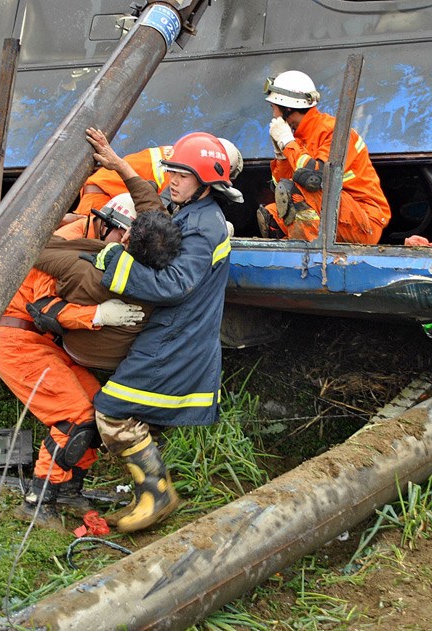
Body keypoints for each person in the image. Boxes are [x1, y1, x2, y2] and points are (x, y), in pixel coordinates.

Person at [0, 183, 181, 528]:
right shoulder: (63, 244)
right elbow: (44, 309)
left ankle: (68, 489)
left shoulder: (95, 243)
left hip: (47, 344)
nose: (126, 246)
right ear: (107, 225)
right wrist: (98, 316)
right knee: (72, 416)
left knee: (97, 410)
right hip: (20, 342)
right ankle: (38, 502)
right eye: (123, 236)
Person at [84, 131, 239, 533]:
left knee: (112, 411)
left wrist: (114, 259)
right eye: (172, 172)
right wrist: (120, 165)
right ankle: (149, 492)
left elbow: (173, 285)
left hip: (176, 339)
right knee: (131, 411)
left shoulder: (203, 227)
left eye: (183, 176)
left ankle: (157, 495)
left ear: (206, 183)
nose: (173, 181)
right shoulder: (190, 210)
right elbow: (155, 208)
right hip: (173, 333)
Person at [257, 70, 391, 244]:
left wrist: (288, 143)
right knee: (272, 216)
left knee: (295, 193)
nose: (273, 114)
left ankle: (311, 254)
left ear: (287, 107)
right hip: (336, 213)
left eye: (273, 107)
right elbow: (280, 186)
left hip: (364, 221)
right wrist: (282, 155)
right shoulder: (297, 137)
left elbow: (314, 179)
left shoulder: (333, 131)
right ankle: (294, 253)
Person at [60, 133, 244, 225]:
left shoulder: (182, 154)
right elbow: (159, 214)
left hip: (102, 186)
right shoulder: (185, 173)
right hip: (106, 194)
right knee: (84, 229)